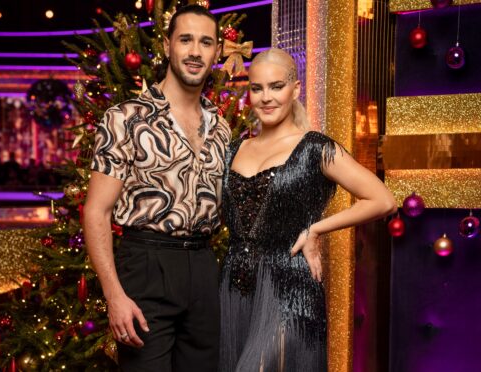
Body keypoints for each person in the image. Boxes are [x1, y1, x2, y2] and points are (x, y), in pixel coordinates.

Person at [219, 48, 397, 371]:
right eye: (257, 88)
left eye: (276, 86)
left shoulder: (315, 147)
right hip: (235, 284)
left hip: (287, 286)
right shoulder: (235, 148)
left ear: (296, 89)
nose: (266, 97)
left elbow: (383, 200)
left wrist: (315, 229)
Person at [83, 5, 228, 372]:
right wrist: (114, 295)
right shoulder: (125, 119)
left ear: (217, 52)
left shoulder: (222, 130)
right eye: (186, 39)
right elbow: (96, 211)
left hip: (203, 267)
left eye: (206, 42)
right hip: (146, 265)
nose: (195, 51)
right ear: (167, 46)